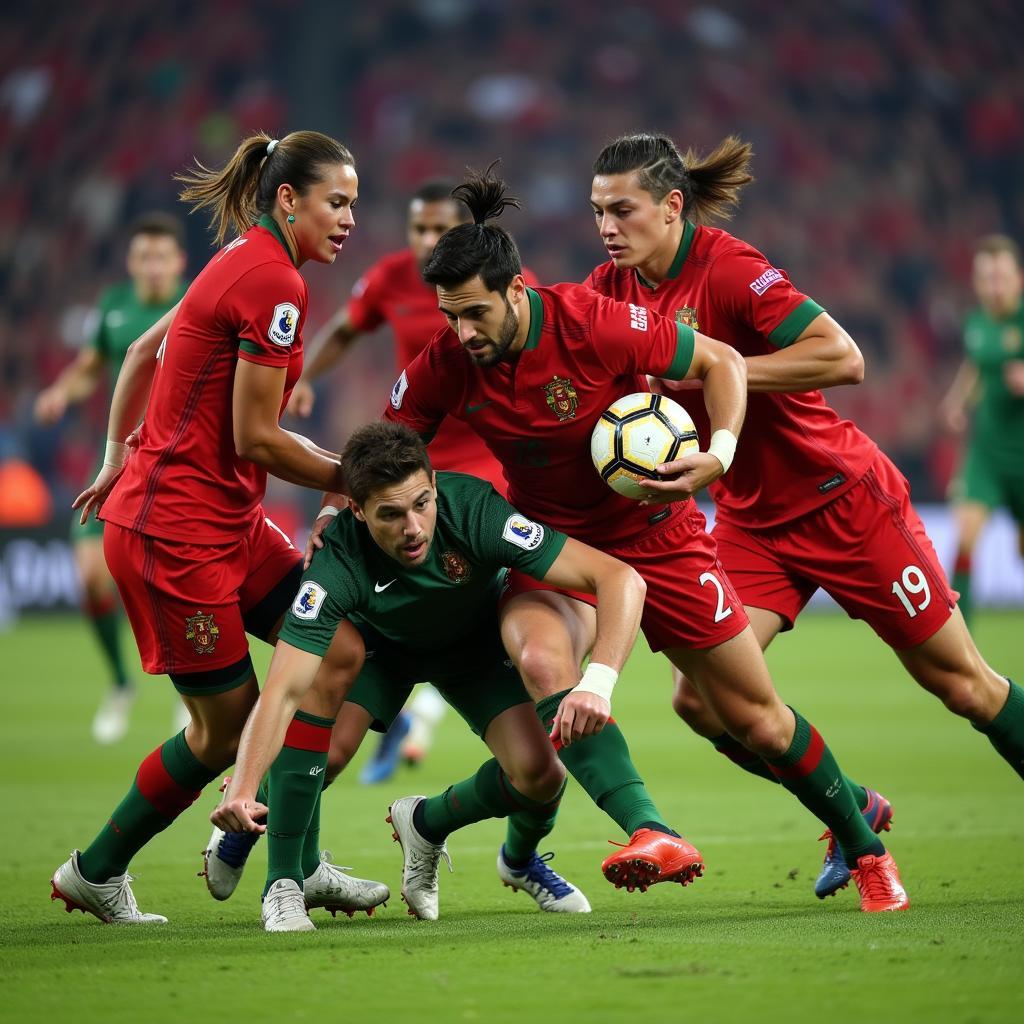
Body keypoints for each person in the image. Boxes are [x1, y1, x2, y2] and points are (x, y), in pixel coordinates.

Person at [359, 167, 909, 912]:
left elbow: (718, 361)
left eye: (476, 314)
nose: (463, 333)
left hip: (659, 532)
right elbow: (381, 459)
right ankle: (649, 829)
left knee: (756, 720)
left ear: (517, 291)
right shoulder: (447, 365)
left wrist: (718, 452)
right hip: (551, 546)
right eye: (450, 316)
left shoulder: (592, 321)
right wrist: (339, 518)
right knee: (539, 656)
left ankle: (867, 850)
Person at [585, 132, 1023, 899]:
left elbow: (842, 356)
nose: (607, 227)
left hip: (843, 501)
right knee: (701, 699)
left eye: (623, 210)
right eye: (598, 212)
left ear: (672, 207)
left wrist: (715, 365)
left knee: (964, 687)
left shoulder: (730, 269)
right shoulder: (611, 289)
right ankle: (851, 808)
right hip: (752, 524)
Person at [49, 130, 387, 927]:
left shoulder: (243, 254)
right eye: (337, 203)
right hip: (175, 537)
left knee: (338, 652)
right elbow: (256, 439)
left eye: (354, 205)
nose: (347, 220)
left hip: (229, 523)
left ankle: (295, 864)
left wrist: (112, 456)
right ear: (288, 199)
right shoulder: (273, 282)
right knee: (225, 731)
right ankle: (97, 870)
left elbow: (140, 350)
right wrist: (363, 482)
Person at [211, 421, 649, 930]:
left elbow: (615, 576)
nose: (413, 527)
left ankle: (434, 827)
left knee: (541, 775)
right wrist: (241, 786)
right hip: (383, 652)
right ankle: (279, 875)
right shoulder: (336, 564)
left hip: (471, 651)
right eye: (390, 515)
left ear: (435, 485)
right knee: (320, 756)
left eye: (421, 504)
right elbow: (284, 690)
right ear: (356, 510)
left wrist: (597, 680)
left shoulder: (476, 510)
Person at [288, 180, 527, 783]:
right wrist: (307, 377)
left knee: (474, 595)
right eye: (417, 229)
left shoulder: (488, 286)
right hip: (406, 459)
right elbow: (345, 327)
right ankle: (399, 706)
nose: (426, 242)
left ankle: (416, 711)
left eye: (437, 229)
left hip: (479, 468)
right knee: (405, 591)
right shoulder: (392, 277)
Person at [33, 214, 187, 743]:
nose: (151, 266)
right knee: (90, 576)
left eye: (160, 257)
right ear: (130, 261)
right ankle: (121, 684)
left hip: (173, 461)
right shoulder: (114, 305)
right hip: (118, 458)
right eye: (142, 256)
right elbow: (89, 366)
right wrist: (61, 391)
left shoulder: (195, 301)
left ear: (177, 262)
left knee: (171, 583)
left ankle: (190, 692)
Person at [941, 234, 1024, 625]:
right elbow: (976, 365)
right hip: (988, 453)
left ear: (1018, 279)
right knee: (966, 537)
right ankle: (961, 638)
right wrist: (957, 401)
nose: (993, 286)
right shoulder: (976, 322)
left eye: (1000, 277)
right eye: (986, 278)